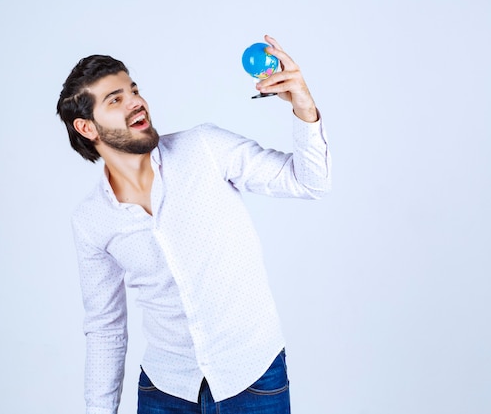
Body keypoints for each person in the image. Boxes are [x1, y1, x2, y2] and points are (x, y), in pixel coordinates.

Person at [56, 35, 331, 414]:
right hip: (165, 391)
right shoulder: (91, 221)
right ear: (87, 128)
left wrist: (303, 105)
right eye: (115, 99)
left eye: (132, 90)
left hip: (253, 378)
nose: (136, 101)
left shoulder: (205, 148)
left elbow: (309, 181)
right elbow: (105, 328)